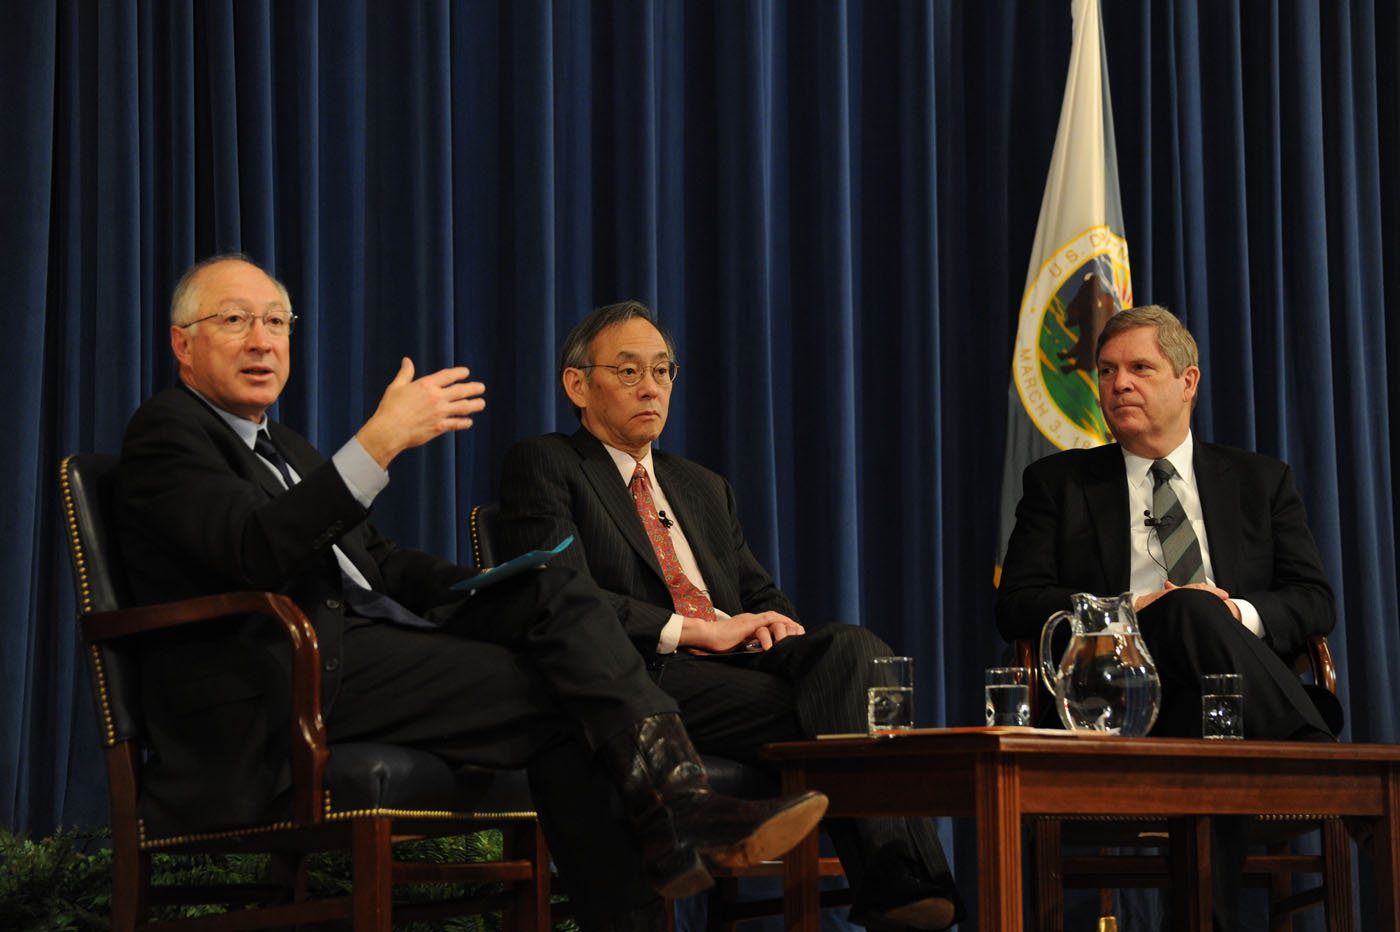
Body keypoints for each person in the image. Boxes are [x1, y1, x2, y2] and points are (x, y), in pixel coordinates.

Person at [115, 255, 828, 932]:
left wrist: (493, 585)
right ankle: (677, 824)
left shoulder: (291, 451)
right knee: (568, 690)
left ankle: (674, 829)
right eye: (236, 321)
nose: (262, 340)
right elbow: (254, 550)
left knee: (554, 595)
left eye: (277, 322)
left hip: (357, 654)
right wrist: (376, 446)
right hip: (278, 680)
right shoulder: (168, 433)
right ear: (184, 344)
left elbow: (382, 566)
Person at [497, 301, 965, 931]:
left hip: (739, 669)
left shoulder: (701, 486)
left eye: (663, 372)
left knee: (854, 649)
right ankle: (902, 885)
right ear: (578, 385)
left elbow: (763, 597)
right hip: (638, 678)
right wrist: (698, 630)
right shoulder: (548, 463)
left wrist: (770, 626)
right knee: (838, 709)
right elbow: (557, 595)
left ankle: (898, 879)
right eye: (629, 371)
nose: (651, 387)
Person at [996, 305, 1341, 928]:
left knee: (1213, 709)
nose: (1117, 384)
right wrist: (1123, 611)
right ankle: (1315, 758)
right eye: (1105, 371)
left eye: (1138, 368)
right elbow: (1016, 603)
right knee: (1186, 610)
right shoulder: (1058, 482)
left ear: (1188, 382)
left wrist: (1233, 611)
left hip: (1220, 700)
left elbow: (1314, 601)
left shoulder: (1261, 481)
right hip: (1110, 696)